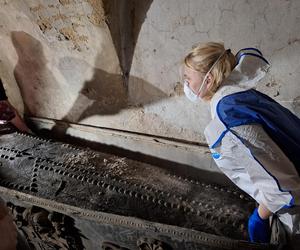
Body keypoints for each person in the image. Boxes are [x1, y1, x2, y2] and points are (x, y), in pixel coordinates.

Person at [182, 42, 300, 246]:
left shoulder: (229, 118)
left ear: (208, 80)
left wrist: (260, 217)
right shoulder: (236, 95)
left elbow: (284, 188)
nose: (185, 85)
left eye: (188, 78)